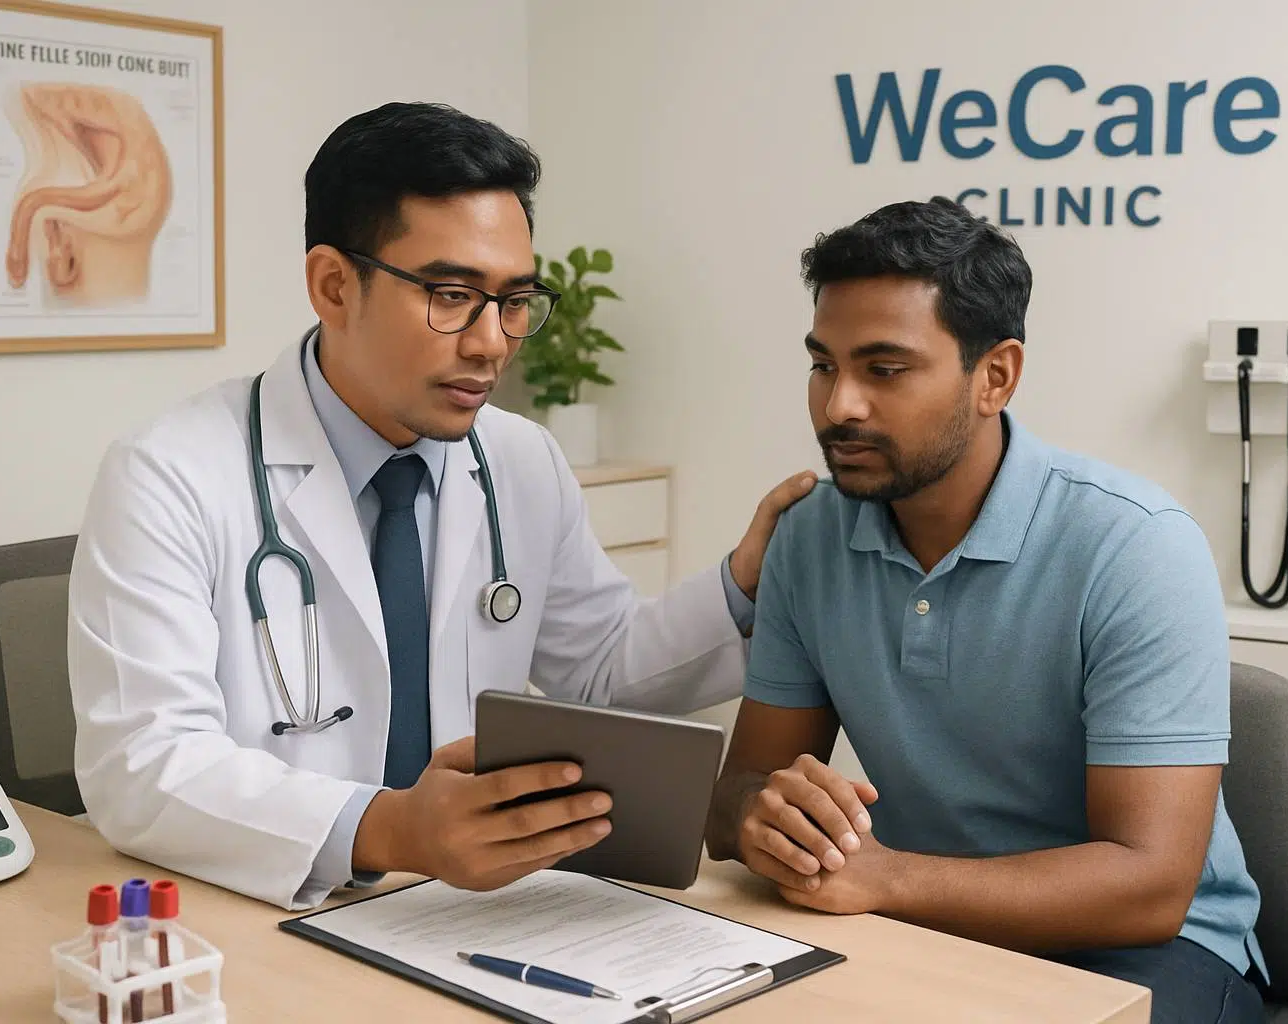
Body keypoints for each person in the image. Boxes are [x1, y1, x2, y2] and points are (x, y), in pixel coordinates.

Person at [67, 101, 813, 910]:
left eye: (514, 300)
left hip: (470, 914)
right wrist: (389, 829)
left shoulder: (520, 461)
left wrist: (743, 580)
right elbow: (142, 764)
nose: (492, 341)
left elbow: (598, 674)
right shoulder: (169, 474)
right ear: (332, 284)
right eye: (453, 294)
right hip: (268, 909)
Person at [703, 197, 1268, 1023]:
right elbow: (735, 800)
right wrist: (761, 816)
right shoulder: (808, 538)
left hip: (1152, 951)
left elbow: (1148, 887)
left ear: (994, 376)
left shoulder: (1136, 545)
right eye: (824, 365)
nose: (839, 406)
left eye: (884, 370)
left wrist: (885, 876)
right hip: (919, 926)